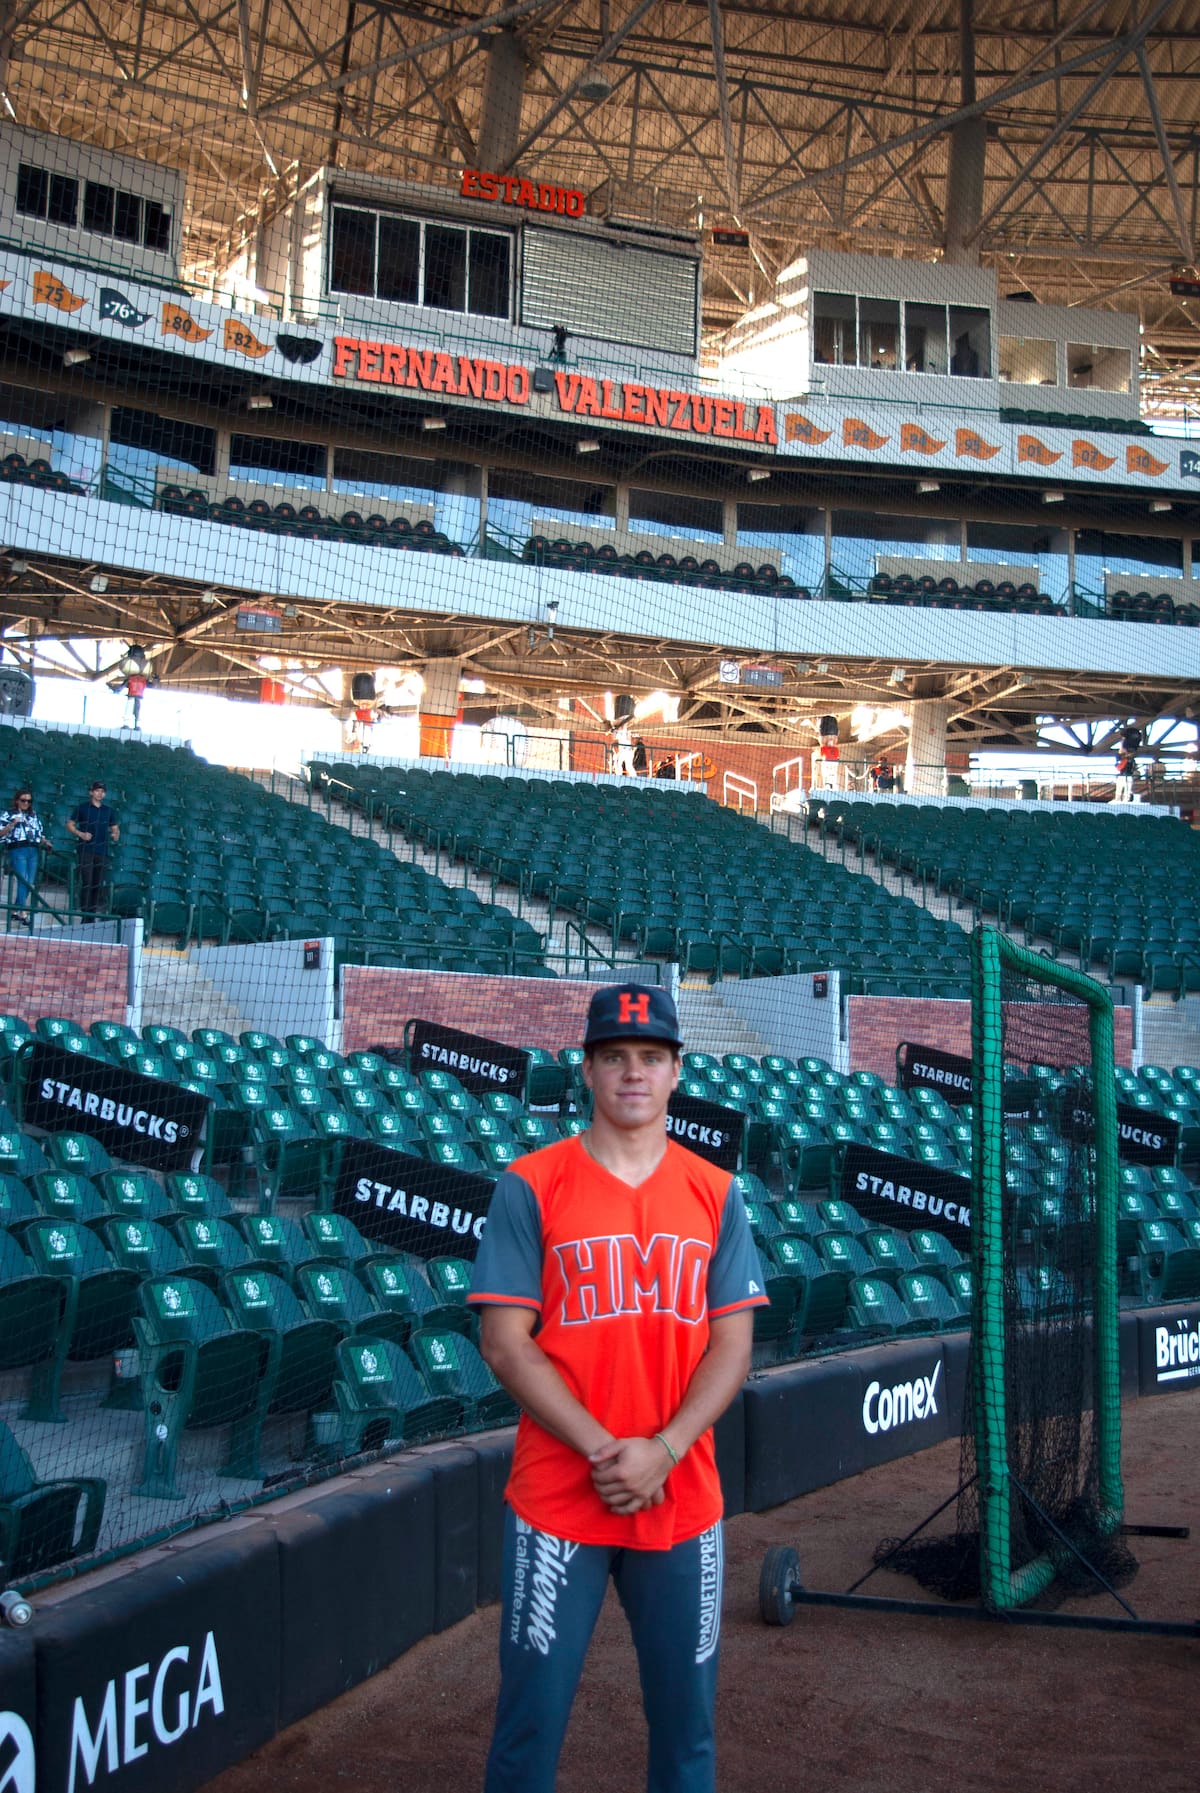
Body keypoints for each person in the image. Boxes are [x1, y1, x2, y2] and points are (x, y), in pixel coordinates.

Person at [470, 982, 767, 1793]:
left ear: (676, 1071)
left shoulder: (716, 1191)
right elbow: (504, 1345)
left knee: (687, 1733)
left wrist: (663, 1450)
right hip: (562, 1497)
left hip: (681, 1497)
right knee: (529, 1728)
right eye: (614, 1057)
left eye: (650, 1057)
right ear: (588, 1070)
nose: (632, 1072)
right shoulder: (530, 1184)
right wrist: (610, 1450)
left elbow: (732, 1346)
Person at [66, 780, 119, 917]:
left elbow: (115, 828)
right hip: (86, 849)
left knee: (97, 884)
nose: (99, 793)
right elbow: (70, 824)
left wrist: (115, 834)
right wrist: (80, 834)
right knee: (87, 881)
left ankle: (92, 913)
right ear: (91, 792)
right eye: (97, 790)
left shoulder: (108, 811)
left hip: (102, 851)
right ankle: (85, 912)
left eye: (102, 791)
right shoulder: (82, 808)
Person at [0, 786, 44, 919]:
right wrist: (12, 824)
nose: (26, 803)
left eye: (29, 801)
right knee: (23, 879)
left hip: (33, 848)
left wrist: (44, 841)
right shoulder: (9, 814)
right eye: (23, 800)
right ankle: (23, 912)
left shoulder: (33, 815)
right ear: (17, 800)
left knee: (29, 881)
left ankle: (15, 909)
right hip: (18, 848)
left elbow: (39, 831)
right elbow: (1, 832)